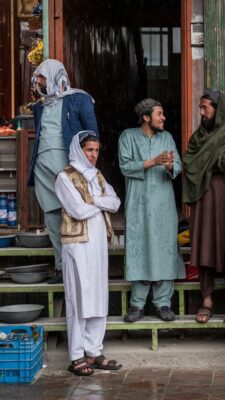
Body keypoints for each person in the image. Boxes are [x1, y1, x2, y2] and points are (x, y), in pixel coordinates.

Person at [55, 131, 121, 376]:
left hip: (98, 245)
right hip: (77, 246)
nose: (93, 155)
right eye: (89, 150)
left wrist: (95, 200)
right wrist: (98, 202)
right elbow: (78, 210)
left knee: (97, 297)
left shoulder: (98, 176)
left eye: (96, 150)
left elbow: (115, 202)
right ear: (78, 150)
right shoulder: (65, 177)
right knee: (78, 299)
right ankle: (76, 356)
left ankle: (94, 351)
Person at [182, 90, 225, 324]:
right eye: (200, 108)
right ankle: (207, 301)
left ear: (218, 109)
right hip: (203, 200)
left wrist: (210, 162)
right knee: (204, 246)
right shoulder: (198, 136)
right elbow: (190, 162)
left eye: (205, 108)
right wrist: (213, 161)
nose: (202, 112)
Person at [30, 59, 99, 284]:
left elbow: (91, 134)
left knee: (73, 214)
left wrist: (87, 167)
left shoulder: (80, 99)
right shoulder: (39, 106)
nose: (38, 82)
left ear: (54, 76)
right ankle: (61, 267)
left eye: (41, 77)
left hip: (67, 166)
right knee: (51, 217)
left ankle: (79, 268)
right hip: (42, 167)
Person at [119, 98, 184, 322]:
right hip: (138, 203)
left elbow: (178, 166)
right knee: (139, 248)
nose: (163, 117)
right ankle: (137, 304)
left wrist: (169, 166)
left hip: (163, 204)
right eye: (159, 114)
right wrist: (152, 161)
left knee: (164, 249)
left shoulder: (166, 137)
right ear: (146, 117)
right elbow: (125, 166)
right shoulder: (127, 136)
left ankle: (163, 303)